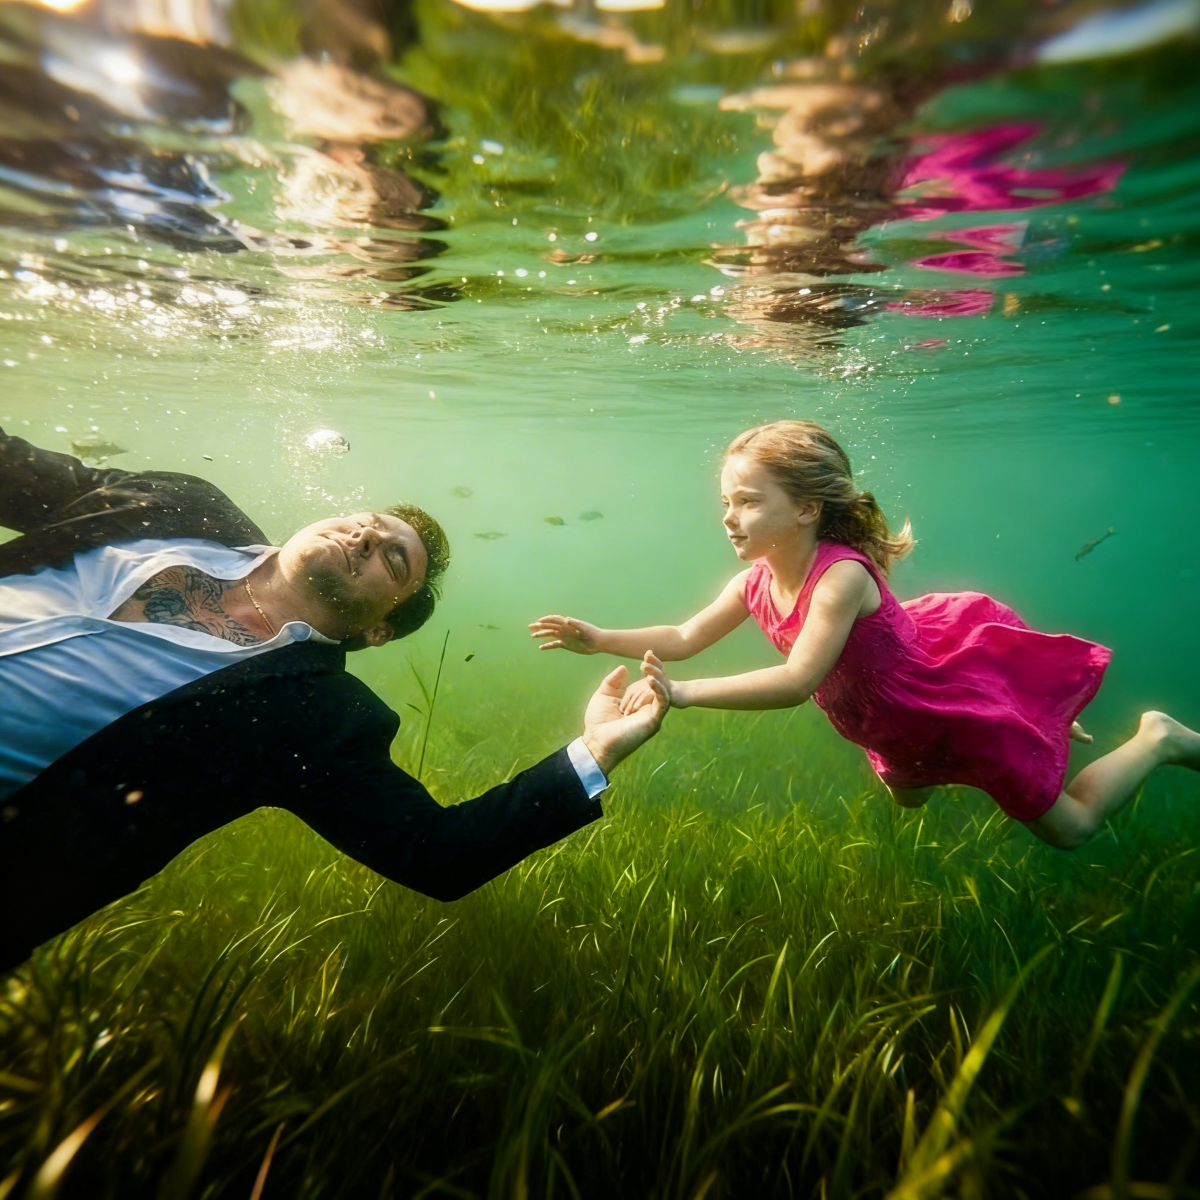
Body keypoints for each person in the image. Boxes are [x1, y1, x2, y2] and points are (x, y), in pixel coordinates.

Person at [0, 427, 667, 974]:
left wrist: (596, 750)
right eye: (367, 524)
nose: (366, 538)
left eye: (393, 562)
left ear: (379, 629)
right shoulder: (186, 506)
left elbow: (438, 851)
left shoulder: (320, 716)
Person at [530, 419, 1200, 850]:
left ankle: (1156, 739)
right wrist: (601, 638)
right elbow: (681, 633)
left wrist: (683, 694)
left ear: (807, 508)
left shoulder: (841, 580)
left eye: (748, 501)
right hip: (889, 726)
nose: (728, 518)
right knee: (909, 803)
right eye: (725, 503)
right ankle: (1035, 717)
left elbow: (797, 682)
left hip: (939, 705)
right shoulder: (754, 581)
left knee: (1070, 830)